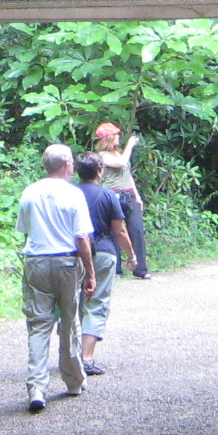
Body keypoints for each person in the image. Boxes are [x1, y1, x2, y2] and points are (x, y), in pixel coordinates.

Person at [17, 143, 96, 413]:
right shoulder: (73, 194)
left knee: (38, 325)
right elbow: (81, 237)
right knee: (69, 322)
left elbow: (25, 231)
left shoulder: (29, 192)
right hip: (67, 263)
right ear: (66, 165)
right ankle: (73, 381)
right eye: (71, 162)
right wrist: (90, 273)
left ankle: (36, 388)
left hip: (36, 262)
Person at [72, 151, 137, 375]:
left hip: (73, 254)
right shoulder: (108, 195)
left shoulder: (70, 193)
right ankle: (86, 358)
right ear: (100, 171)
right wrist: (131, 256)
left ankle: (71, 355)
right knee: (96, 302)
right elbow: (120, 231)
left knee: (74, 304)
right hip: (102, 252)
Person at [92, 123, 149, 277]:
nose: (118, 137)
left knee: (137, 230)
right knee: (115, 231)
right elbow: (121, 163)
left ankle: (140, 269)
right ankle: (116, 270)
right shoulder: (102, 156)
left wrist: (137, 196)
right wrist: (130, 145)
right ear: (109, 137)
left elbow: (128, 174)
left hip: (129, 194)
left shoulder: (119, 153)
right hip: (113, 195)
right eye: (116, 134)